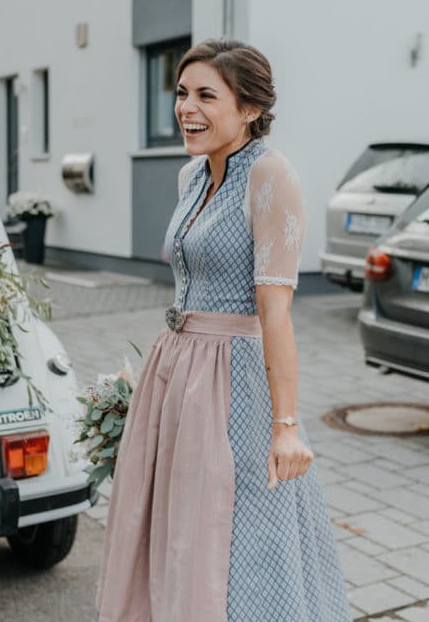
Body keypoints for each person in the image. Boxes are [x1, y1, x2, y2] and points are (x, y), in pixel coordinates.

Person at [96, 39, 353, 622]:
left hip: (235, 382)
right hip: (176, 373)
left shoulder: (270, 175)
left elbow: (275, 313)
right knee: (177, 525)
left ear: (250, 110)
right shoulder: (191, 176)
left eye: (207, 95)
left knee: (237, 537)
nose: (188, 108)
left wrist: (285, 427)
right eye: (182, 93)